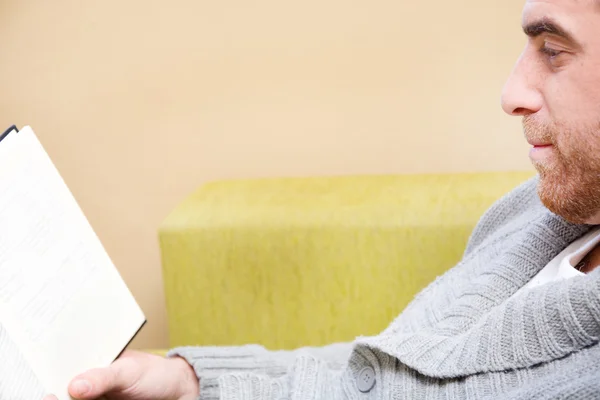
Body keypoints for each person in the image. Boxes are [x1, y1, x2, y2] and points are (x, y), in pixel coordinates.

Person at [45, 0, 600, 398]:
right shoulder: (538, 211)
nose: (511, 94)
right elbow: (384, 371)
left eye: (552, 51)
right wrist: (193, 382)